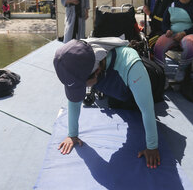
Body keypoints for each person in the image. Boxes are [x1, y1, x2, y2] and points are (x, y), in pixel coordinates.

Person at [53, 37, 160, 169]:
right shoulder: (79, 55)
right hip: (119, 89)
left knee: (138, 109)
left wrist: (152, 147)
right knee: (116, 104)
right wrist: (72, 135)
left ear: (96, 72)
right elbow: (74, 101)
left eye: (82, 86)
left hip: (146, 81)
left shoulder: (131, 66)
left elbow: (147, 110)